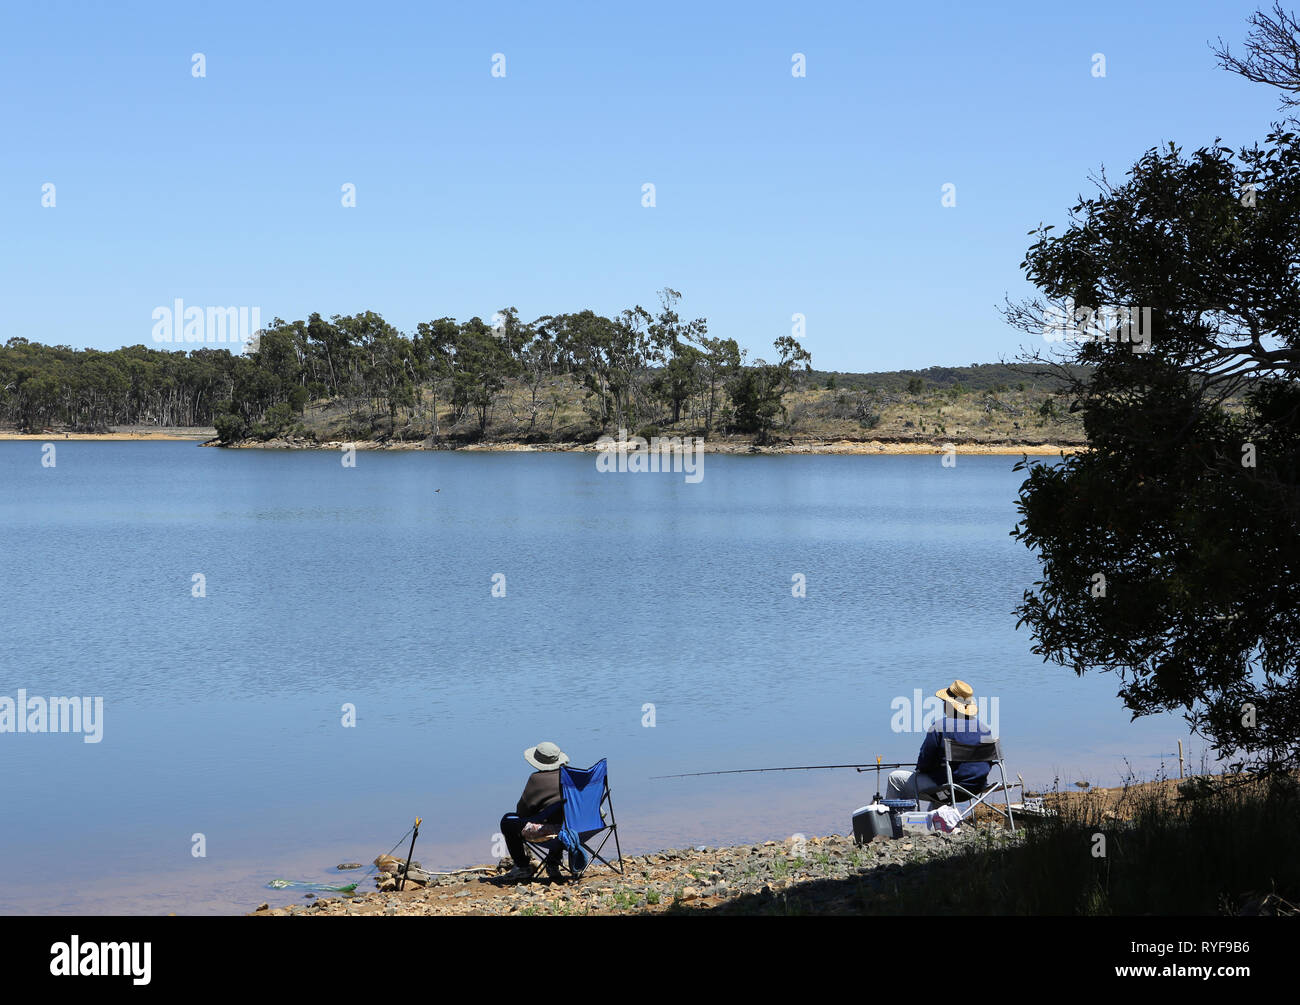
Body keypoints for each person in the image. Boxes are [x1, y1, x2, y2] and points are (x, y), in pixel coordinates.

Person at [888, 680, 994, 811]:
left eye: (944, 701)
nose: (943, 704)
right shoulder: (985, 729)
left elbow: (923, 764)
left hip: (950, 789)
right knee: (941, 786)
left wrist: (932, 769)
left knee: (895, 778)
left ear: (950, 704)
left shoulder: (939, 727)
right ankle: (939, 825)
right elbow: (988, 764)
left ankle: (898, 824)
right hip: (976, 788)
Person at [498, 741, 569, 881]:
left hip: (554, 833)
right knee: (560, 815)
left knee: (508, 822)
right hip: (579, 829)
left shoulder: (536, 779)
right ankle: (553, 863)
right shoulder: (571, 776)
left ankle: (522, 866)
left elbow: (522, 811)